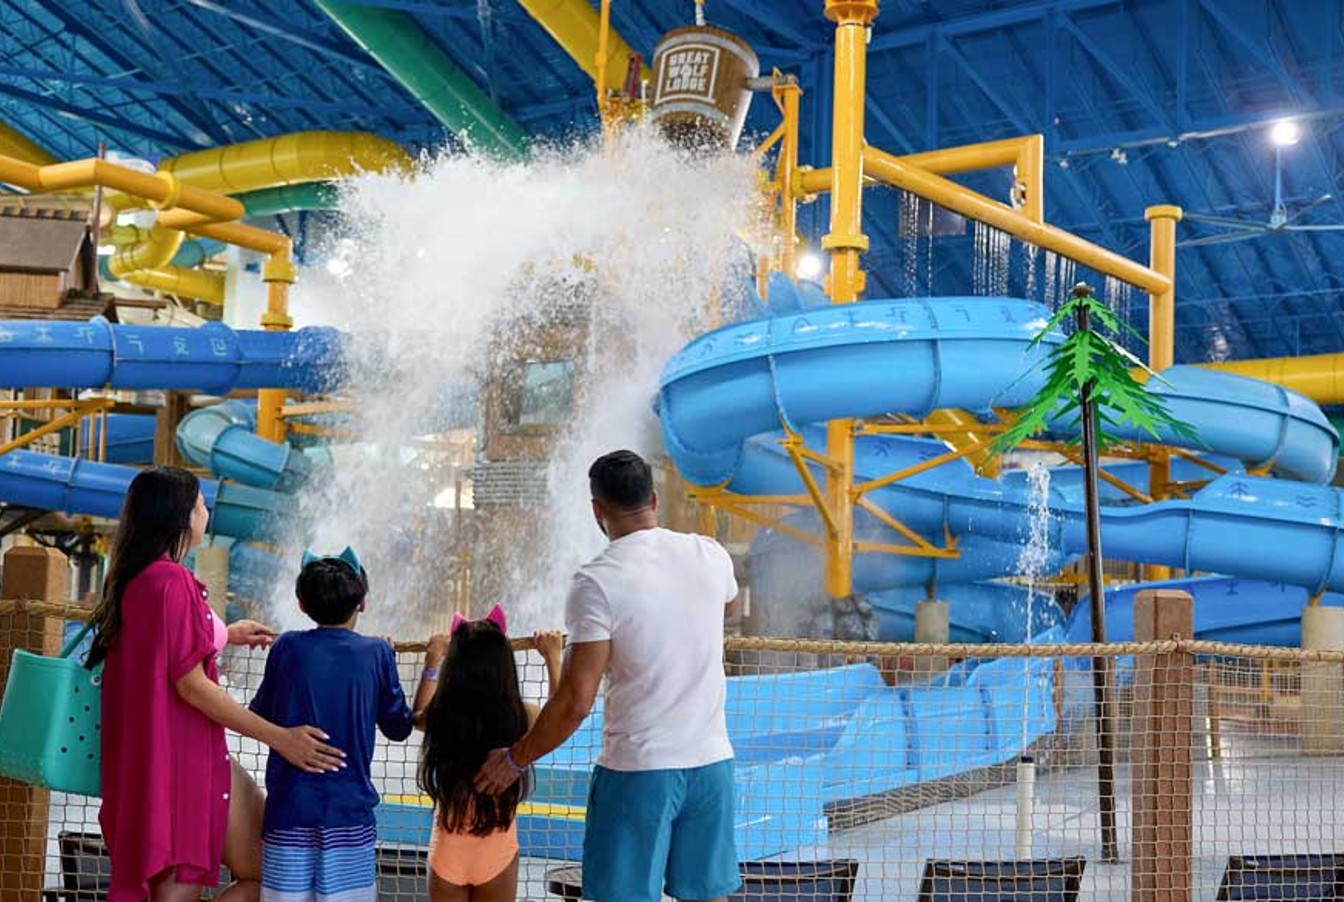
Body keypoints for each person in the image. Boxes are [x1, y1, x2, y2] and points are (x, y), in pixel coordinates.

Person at [476, 450, 741, 902]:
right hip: (712, 764)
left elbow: (577, 700)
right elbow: (728, 606)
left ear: (597, 511)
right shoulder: (709, 554)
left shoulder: (597, 581)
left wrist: (515, 759)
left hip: (640, 770)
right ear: (653, 499)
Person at [88, 467, 345, 902]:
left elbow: (163, 650)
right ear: (182, 516)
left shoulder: (135, 581)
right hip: (181, 763)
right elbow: (190, 685)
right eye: (201, 502)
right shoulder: (175, 582)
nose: (207, 510)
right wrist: (280, 738)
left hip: (150, 763)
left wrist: (224, 633)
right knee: (249, 878)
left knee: (265, 871)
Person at [247, 548, 417, 902]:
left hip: (289, 812)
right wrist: (390, 664)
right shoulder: (377, 653)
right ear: (362, 603)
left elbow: (260, 714)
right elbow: (399, 727)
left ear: (301, 604)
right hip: (348, 816)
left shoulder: (287, 647)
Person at [416, 605, 564, 902]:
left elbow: (417, 714)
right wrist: (553, 657)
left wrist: (432, 662)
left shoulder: (442, 716)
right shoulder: (522, 716)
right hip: (497, 851)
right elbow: (560, 718)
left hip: (448, 849)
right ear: (504, 666)